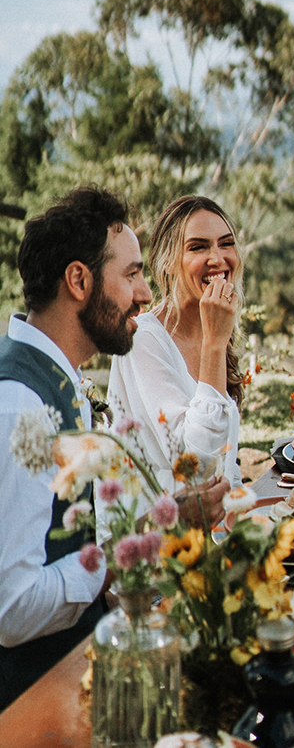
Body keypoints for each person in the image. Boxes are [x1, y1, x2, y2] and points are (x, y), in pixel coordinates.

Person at [0, 187, 153, 709]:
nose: (144, 293)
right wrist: (116, 560)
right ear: (79, 281)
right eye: (131, 274)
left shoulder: (56, 382)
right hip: (31, 708)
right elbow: (12, 609)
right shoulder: (21, 405)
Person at [108, 195, 245, 501]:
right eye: (198, 247)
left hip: (222, 520)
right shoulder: (144, 339)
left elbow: (225, 463)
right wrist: (214, 345)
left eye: (226, 244)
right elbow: (194, 466)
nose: (217, 258)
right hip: (165, 526)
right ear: (167, 263)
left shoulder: (214, 328)